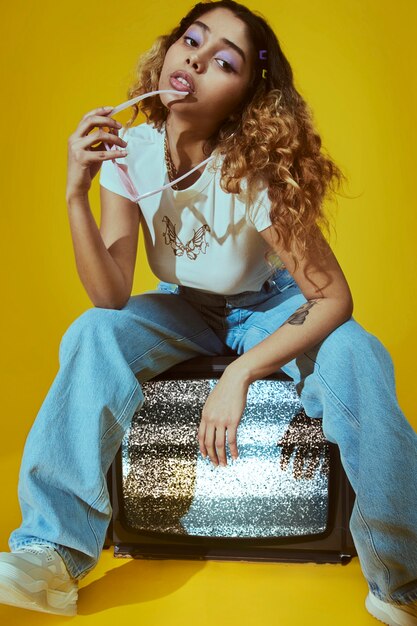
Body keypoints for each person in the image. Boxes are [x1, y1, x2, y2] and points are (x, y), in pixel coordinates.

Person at [0, 0, 416, 621]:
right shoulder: (130, 152)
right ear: (167, 53)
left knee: (358, 351)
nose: (196, 56)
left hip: (273, 308)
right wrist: (75, 194)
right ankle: (53, 553)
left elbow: (332, 298)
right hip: (187, 307)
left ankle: (402, 579)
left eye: (224, 60)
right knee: (94, 332)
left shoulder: (259, 172)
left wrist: (238, 374)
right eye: (190, 39)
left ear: (247, 96)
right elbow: (111, 294)